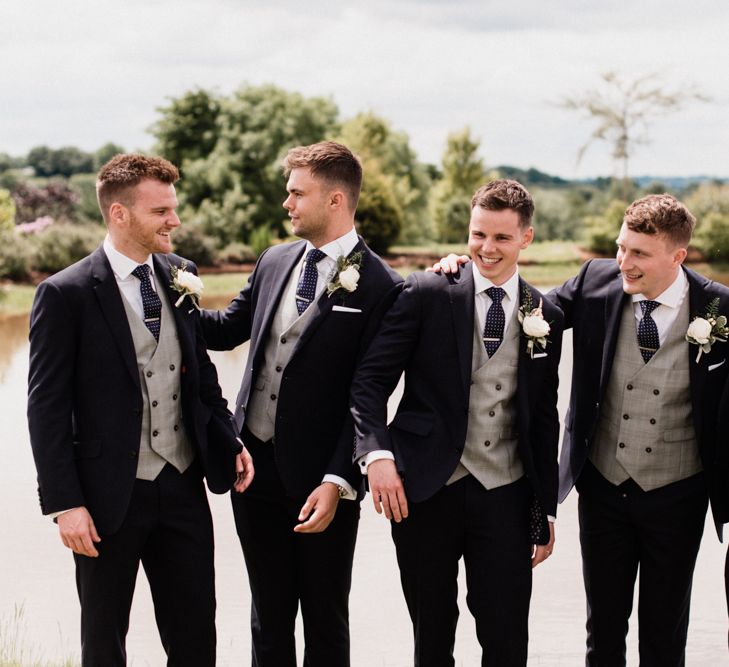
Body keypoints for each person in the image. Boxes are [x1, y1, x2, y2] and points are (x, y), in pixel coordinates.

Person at [436, 193, 729, 666]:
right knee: (603, 628)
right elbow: (526, 311)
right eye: (621, 247)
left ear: (677, 256)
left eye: (639, 254)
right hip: (604, 488)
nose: (623, 263)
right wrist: (464, 273)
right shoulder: (597, 282)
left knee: (665, 630)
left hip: (679, 493)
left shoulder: (719, 307)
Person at [27, 153, 253, 667]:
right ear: (119, 214)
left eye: (173, 208)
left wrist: (227, 437)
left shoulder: (181, 275)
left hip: (182, 485)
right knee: (105, 641)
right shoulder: (65, 294)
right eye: (161, 212)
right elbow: (45, 408)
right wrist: (65, 504)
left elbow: (199, 370)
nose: (175, 220)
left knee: (196, 634)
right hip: (107, 497)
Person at [199, 141, 403, 666]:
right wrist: (159, 288)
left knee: (325, 618)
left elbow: (368, 396)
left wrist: (339, 481)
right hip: (252, 469)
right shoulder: (275, 259)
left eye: (296, 193)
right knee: (267, 615)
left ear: (336, 200)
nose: (286, 203)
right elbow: (225, 331)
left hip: (323, 483)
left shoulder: (384, 286)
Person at [349, 179, 563, 666]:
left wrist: (544, 509)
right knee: (432, 635)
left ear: (526, 238)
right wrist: (376, 456)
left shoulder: (545, 313)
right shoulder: (427, 292)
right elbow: (369, 383)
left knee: (507, 638)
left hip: (506, 494)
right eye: (478, 235)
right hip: (425, 489)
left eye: (502, 238)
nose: (487, 248)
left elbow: (544, 418)